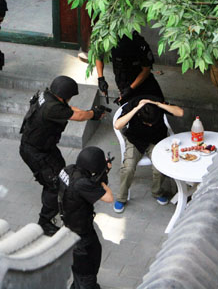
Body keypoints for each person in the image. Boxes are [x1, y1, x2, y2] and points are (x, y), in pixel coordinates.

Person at [19, 75, 108, 236]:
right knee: (54, 184)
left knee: (61, 173)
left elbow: (71, 110)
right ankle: (44, 222)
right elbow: (78, 116)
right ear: (65, 95)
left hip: (44, 147)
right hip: (35, 152)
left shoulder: (47, 96)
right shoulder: (53, 108)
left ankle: (65, 199)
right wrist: (92, 114)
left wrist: (90, 112)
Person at [112, 96, 184, 213]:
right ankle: (121, 198)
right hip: (135, 141)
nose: (150, 125)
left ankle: (157, 191)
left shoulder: (157, 104)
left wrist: (160, 105)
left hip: (156, 141)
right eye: (147, 123)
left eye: (152, 123)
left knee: (159, 168)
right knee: (128, 168)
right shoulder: (133, 105)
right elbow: (117, 125)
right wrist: (136, 109)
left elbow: (180, 112)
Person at [58, 146, 113, 289]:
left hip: (70, 228)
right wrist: (103, 175)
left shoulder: (68, 170)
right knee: (87, 271)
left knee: (82, 265)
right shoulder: (82, 184)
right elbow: (108, 197)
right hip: (81, 235)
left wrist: (100, 173)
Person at [95, 31, 162, 105]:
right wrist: (101, 79)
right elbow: (98, 57)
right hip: (122, 79)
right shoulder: (109, 40)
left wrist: (130, 88)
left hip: (141, 80)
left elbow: (146, 70)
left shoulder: (140, 45)